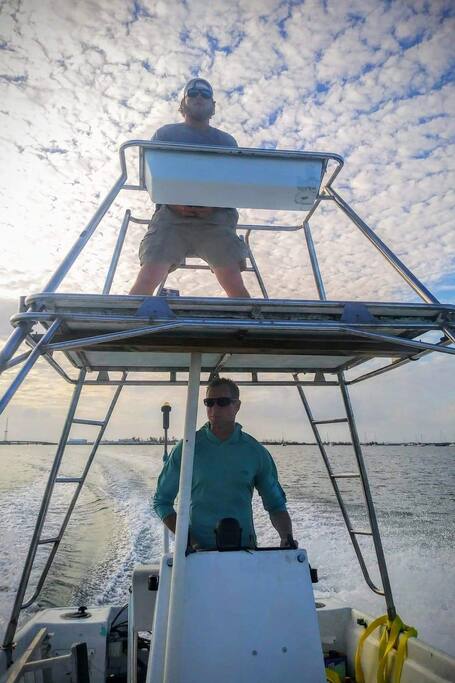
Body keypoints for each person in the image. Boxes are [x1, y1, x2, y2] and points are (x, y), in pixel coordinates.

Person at [130, 78, 250, 298]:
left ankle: (247, 319)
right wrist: (174, 203)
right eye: (193, 94)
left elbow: (234, 183)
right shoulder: (164, 135)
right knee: (147, 278)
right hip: (171, 218)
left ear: (212, 104)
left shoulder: (227, 141)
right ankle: (128, 316)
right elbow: (151, 176)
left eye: (205, 95)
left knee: (234, 284)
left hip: (216, 221)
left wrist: (213, 207)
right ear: (183, 102)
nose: (198, 98)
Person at [153, 377, 296, 550]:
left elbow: (276, 505)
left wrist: (286, 537)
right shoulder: (187, 449)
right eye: (209, 403)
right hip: (197, 554)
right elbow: (162, 501)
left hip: (245, 552)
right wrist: (190, 540)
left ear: (237, 406)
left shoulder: (255, 452)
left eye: (222, 402)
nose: (214, 409)